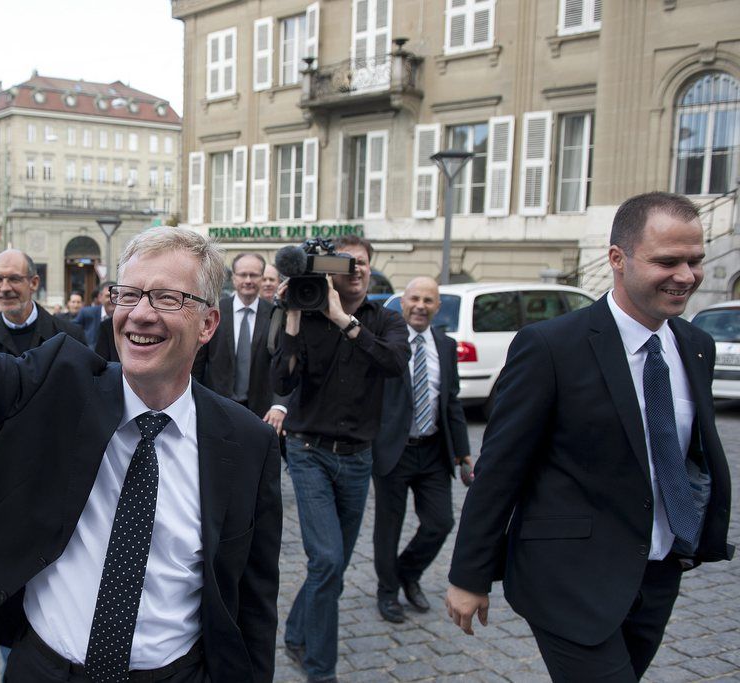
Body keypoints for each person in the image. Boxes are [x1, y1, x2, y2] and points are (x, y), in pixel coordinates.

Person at [0, 60, 282, 683]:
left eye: (167, 298)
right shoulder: (59, 383)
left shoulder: (246, 444)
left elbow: (252, 604)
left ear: (208, 323)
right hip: (45, 668)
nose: (140, 314)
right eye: (127, 294)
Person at [446, 192, 733, 682]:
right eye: (667, 261)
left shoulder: (695, 346)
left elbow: (689, 454)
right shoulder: (552, 347)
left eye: (695, 260)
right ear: (617, 259)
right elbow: (500, 469)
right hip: (568, 579)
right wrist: (469, 576)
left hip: (659, 572)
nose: (686, 276)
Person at [271, 235, 408, 682]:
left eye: (363, 263)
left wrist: (343, 321)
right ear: (330, 271)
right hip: (309, 452)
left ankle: (295, 630)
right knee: (328, 561)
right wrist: (293, 313)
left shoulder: (386, 320)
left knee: (331, 564)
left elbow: (394, 363)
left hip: (357, 459)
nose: (357, 269)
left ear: (371, 268)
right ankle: (320, 670)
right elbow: (283, 380)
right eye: (347, 263)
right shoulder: (306, 317)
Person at [372, 277, 471, 624]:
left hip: (432, 451)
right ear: (402, 302)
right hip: (393, 451)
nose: (420, 305)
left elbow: (452, 401)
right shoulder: (387, 342)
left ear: (437, 307)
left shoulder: (444, 345)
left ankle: (406, 572)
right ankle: (387, 593)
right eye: (414, 298)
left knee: (440, 522)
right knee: (389, 527)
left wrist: (463, 453)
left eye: (428, 300)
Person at [0, 248, 87, 495]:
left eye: (13, 279)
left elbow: (82, 412)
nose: (4, 288)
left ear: (33, 282)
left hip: (52, 476)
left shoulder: (69, 337)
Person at [193, 253, 287, 435]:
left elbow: (283, 364)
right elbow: (197, 362)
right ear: (233, 277)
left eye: (254, 275)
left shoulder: (276, 314)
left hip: (261, 413)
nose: (248, 280)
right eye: (243, 275)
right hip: (216, 408)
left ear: (261, 277)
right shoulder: (214, 312)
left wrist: (279, 405)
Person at [74, 281, 116, 348]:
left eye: (116, 297)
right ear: (100, 297)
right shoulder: (87, 313)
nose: (112, 300)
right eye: (108, 296)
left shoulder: (125, 316)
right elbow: (72, 330)